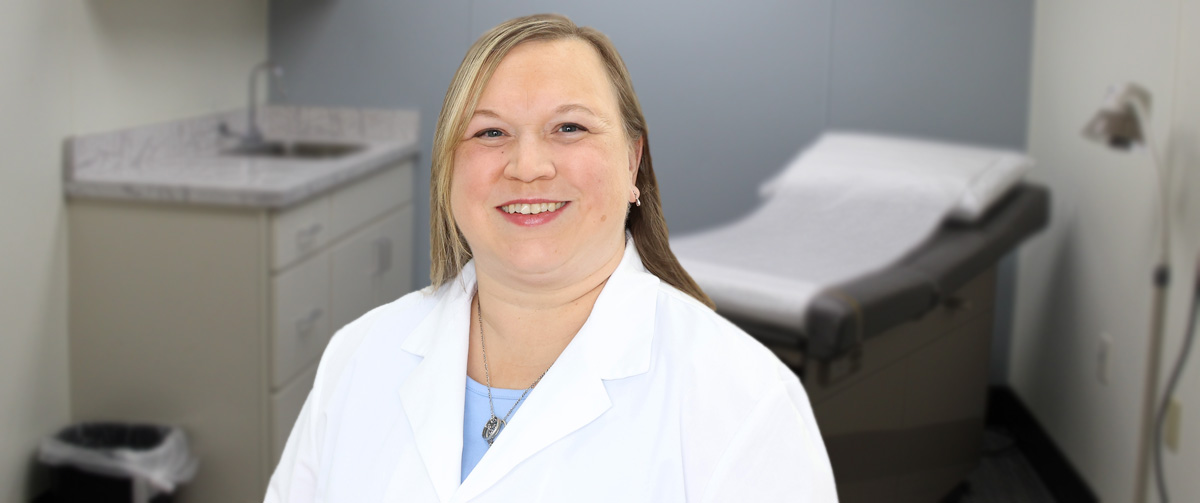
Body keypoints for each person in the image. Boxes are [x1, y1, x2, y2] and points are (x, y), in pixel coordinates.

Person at [265, 13, 836, 502]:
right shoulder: (359, 356)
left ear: (632, 162)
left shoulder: (743, 400)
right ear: (448, 171)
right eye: (489, 133)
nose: (528, 165)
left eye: (570, 127)